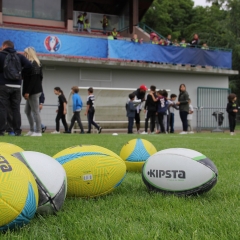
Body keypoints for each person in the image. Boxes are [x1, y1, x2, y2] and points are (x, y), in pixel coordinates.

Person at [0, 40, 32, 136]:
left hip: (3, 85)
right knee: (16, 109)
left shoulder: (1, 55)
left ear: (5, 46)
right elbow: (29, 65)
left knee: (2, 108)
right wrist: (21, 75)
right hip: (17, 86)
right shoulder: (19, 56)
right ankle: (17, 131)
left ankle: (1, 130)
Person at [22, 47, 43, 137]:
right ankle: (32, 129)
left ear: (28, 54)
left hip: (33, 91)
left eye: (25, 53)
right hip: (32, 91)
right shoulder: (32, 64)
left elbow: (33, 80)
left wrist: (27, 92)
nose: (24, 54)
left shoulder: (34, 64)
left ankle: (38, 131)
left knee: (35, 112)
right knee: (27, 111)